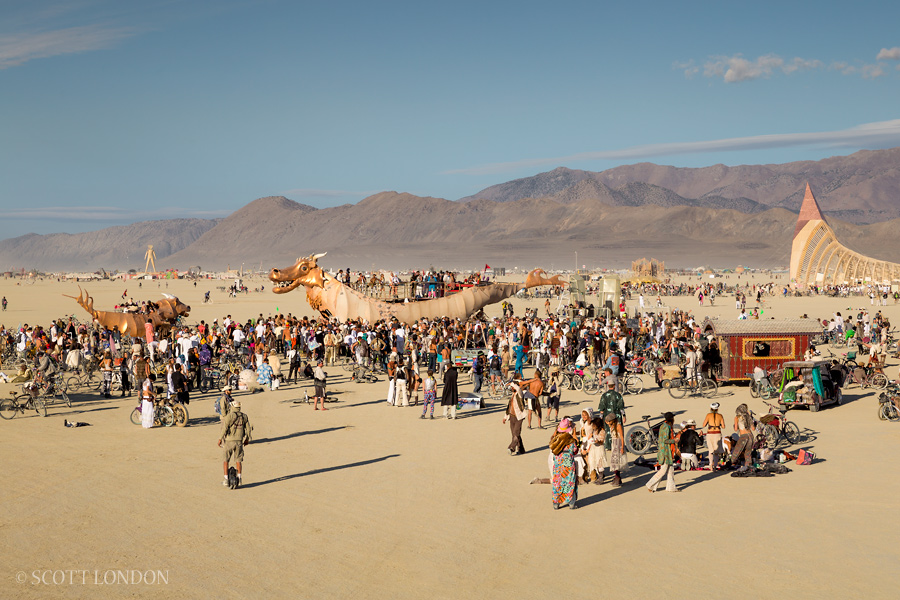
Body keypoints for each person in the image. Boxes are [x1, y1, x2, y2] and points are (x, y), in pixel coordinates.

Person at [217, 400, 251, 487]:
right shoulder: (244, 416)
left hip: (229, 441)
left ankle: (226, 480)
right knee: (238, 461)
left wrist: (220, 439)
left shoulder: (229, 416)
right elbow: (248, 429)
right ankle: (239, 479)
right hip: (239, 441)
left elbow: (224, 429)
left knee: (226, 460)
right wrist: (247, 439)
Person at [645, 412, 679, 493]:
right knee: (663, 471)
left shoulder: (663, 425)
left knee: (670, 470)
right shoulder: (667, 427)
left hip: (664, 451)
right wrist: (674, 440)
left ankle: (671, 488)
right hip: (665, 452)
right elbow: (665, 440)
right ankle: (650, 484)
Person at [549, 418, 579, 509]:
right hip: (568, 463)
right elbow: (575, 450)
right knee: (570, 482)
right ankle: (571, 503)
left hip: (558, 463)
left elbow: (552, 449)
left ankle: (556, 503)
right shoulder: (570, 440)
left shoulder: (556, 439)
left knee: (557, 482)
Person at [502, 381, 528, 455]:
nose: (512, 388)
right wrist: (505, 417)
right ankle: (521, 449)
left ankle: (511, 448)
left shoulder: (520, 394)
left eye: (513, 387)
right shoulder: (512, 396)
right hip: (512, 417)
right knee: (515, 434)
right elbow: (509, 408)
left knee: (516, 433)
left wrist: (512, 383)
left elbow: (518, 389)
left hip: (519, 417)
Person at [602, 412, 626, 487]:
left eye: (609, 421)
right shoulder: (611, 425)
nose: (608, 422)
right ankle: (617, 477)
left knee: (617, 461)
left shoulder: (618, 426)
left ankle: (617, 477)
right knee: (614, 462)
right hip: (614, 444)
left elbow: (622, 437)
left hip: (618, 444)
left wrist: (622, 447)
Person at [731, 403, 755, 471]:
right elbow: (753, 428)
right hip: (750, 436)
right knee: (748, 453)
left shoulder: (737, 418)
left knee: (736, 451)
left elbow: (736, 429)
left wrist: (736, 425)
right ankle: (748, 466)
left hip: (743, 436)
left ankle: (731, 462)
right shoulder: (749, 417)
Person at [702, 402, 725, 470]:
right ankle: (715, 465)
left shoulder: (708, 415)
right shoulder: (720, 416)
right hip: (717, 433)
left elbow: (703, 425)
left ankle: (710, 465)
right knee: (716, 451)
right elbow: (723, 426)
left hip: (710, 433)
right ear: (717, 409)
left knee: (710, 450)